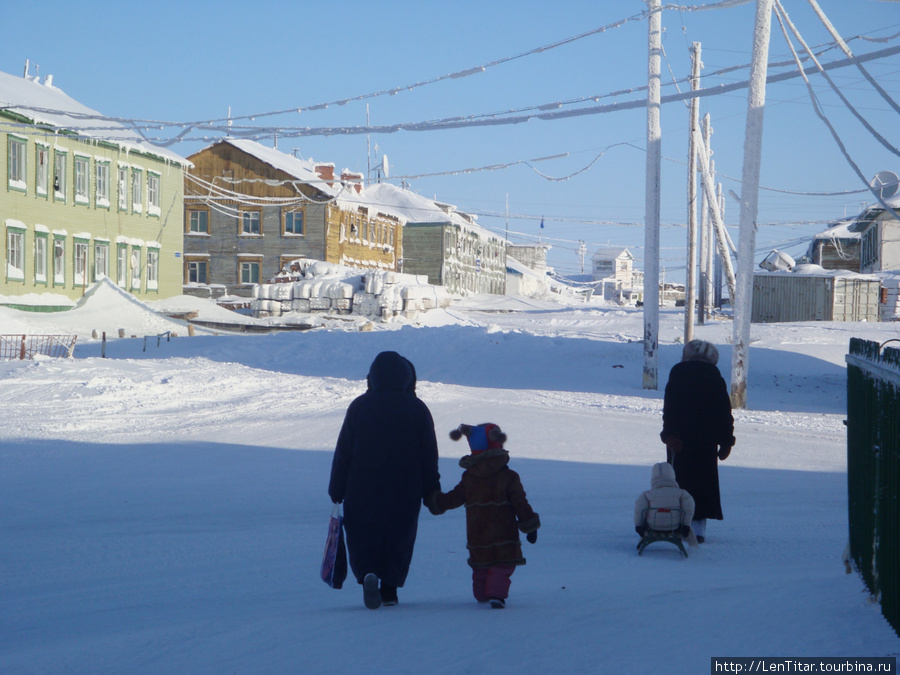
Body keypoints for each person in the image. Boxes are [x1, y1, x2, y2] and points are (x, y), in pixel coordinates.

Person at [328, 351, 441, 609]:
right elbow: (428, 455)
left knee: (363, 532)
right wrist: (431, 490)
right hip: (405, 485)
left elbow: (344, 451)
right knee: (399, 534)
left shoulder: (359, 406)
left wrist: (337, 488)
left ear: (373, 378)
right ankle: (389, 590)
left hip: (361, 484)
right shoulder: (417, 408)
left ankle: (368, 572)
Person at [428, 423, 540, 609]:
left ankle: (481, 594)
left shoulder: (470, 477)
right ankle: (496, 594)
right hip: (504, 531)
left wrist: (436, 501)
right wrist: (530, 525)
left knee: (481, 564)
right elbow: (520, 503)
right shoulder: (509, 476)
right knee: (502, 564)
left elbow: (454, 498)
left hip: (477, 531)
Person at [660, 339, 735, 543]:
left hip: (679, 440)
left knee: (679, 482)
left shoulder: (677, 374)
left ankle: (677, 524)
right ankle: (698, 530)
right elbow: (723, 413)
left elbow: (670, 409)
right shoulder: (715, 378)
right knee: (703, 484)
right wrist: (726, 440)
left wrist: (669, 435)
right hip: (706, 440)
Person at [633, 462, 696, 543]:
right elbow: (689, 506)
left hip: (654, 525)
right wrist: (685, 524)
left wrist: (639, 525)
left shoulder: (647, 495)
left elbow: (639, 510)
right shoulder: (681, 493)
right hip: (674, 525)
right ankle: (693, 548)